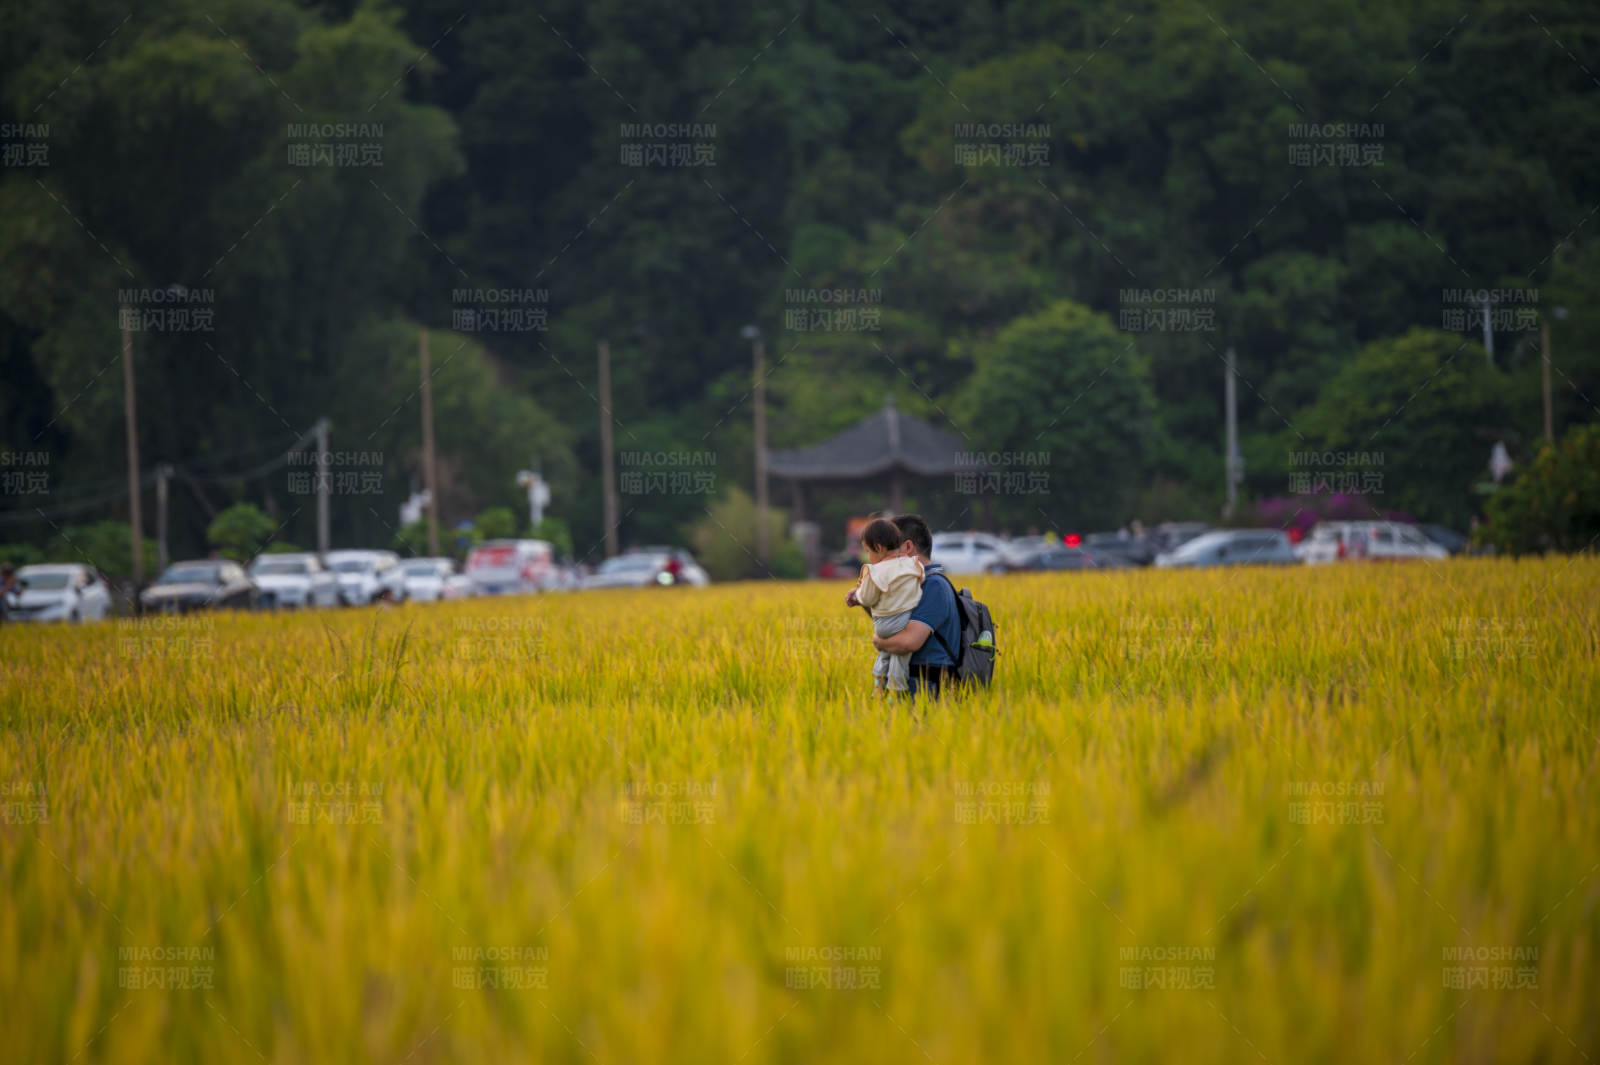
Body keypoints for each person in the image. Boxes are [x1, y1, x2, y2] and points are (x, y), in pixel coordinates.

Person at [845, 513, 960, 696]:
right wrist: (866, 600)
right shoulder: (907, 583)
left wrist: (878, 641)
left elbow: (907, 642)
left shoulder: (934, 586)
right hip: (911, 693)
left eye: (886, 548)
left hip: (929, 698)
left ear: (907, 547)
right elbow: (894, 624)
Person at [852, 518, 924, 693]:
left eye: (868, 551)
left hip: (883, 624)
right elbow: (920, 580)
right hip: (904, 621)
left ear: (878, 548)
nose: (869, 556)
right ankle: (896, 690)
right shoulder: (912, 564)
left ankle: (880, 684)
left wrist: (858, 593)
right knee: (899, 657)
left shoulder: (874, 571)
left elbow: (867, 599)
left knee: (888, 652)